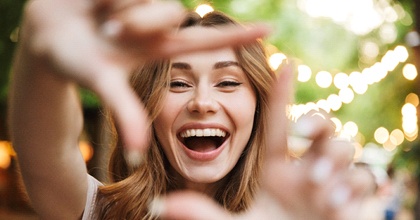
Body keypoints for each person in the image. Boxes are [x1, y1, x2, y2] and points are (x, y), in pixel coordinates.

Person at [8, 0, 375, 219]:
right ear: (149, 107)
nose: (201, 102)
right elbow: (46, 150)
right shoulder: (101, 211)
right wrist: (40, 62)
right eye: (178, 83)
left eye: (228, 83)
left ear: (260, 110)